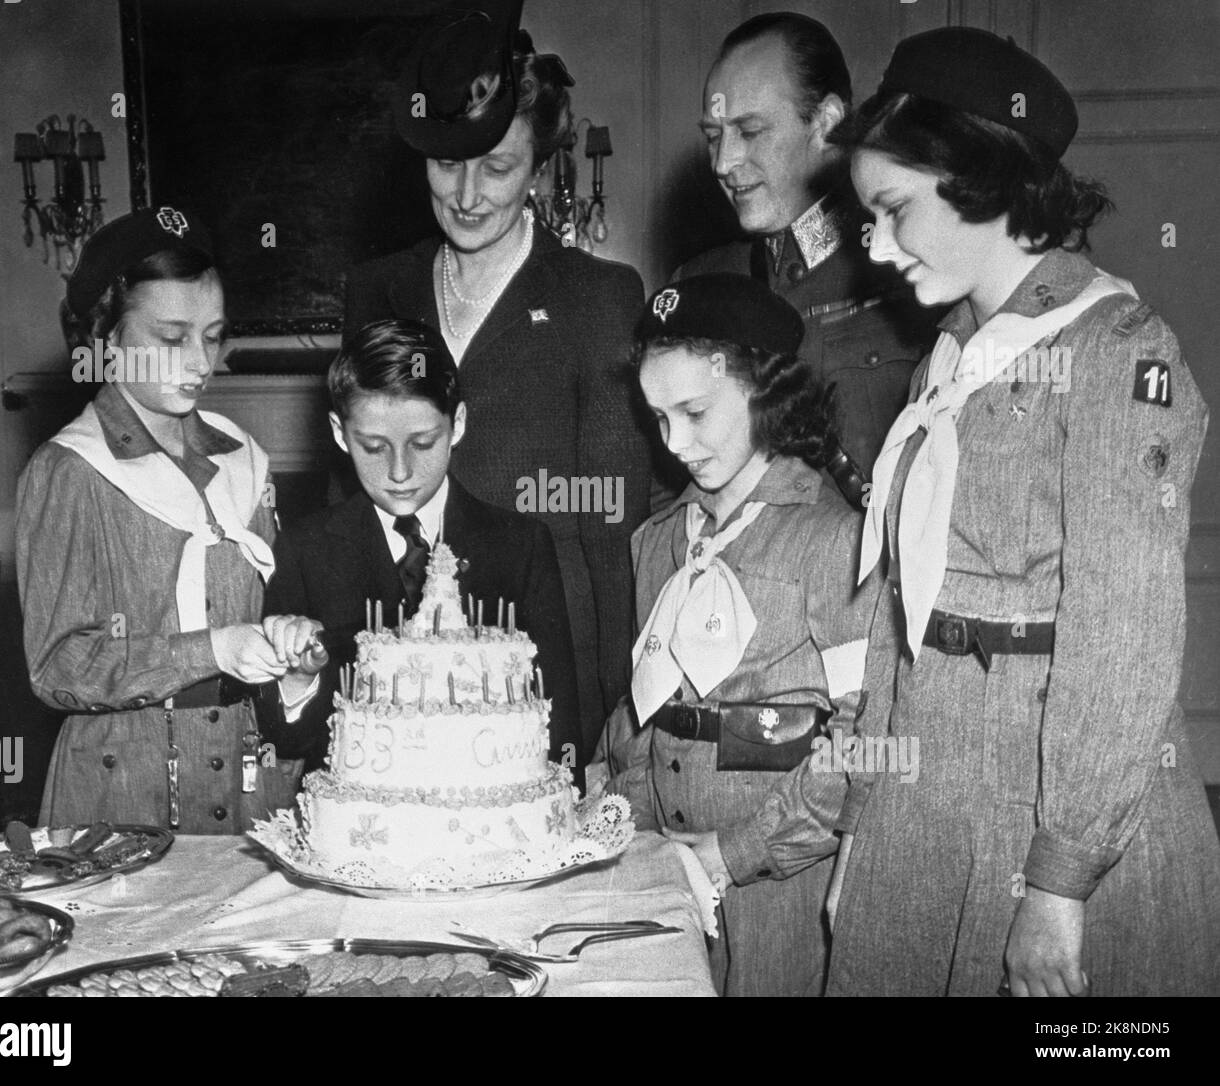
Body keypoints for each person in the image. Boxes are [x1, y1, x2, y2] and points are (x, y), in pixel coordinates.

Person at [824, 26, 1220, 997]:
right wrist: (861, 824)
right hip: (927, 799)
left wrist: (1059, 881)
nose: (873, 247)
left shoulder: (1120, 353)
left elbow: (1123, 637)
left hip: (1050, 808)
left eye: (892, 210)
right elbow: (900, 606)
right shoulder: (949, 360)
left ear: (981, 178)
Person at [344, 2, 651, 762]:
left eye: (499, 166)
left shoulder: (598, 297)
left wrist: (618, 714)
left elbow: (613, 530)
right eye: (448, 164)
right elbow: (351, 501)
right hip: (402, 643)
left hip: (548, 644)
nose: (468, 193)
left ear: (542, 168)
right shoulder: (378, 288)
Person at [599, 274, 878, 996]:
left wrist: (733, 853)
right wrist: (620, 816)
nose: (675, 444)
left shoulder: (837, 541)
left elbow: (861, 743)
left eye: (694, 412)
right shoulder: (657, 543)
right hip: (662, 885)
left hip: (780, 896)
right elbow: (640, 714)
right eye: (657, 417)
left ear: (765, 389)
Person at [17, 207, 314, 834]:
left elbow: (272, 615)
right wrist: (212, 649)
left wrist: (293, 648)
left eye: (213, 336)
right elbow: (59, 668)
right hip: (121, 786)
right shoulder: (71, 469)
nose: (201, 363)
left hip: (244, 778)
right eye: (172, 339)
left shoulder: (242, 457)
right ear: (105, 339)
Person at [256, 318, 583, 789]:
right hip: (364, 836)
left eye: (423, 443)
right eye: (372, 447)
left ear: (459, 424)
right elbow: (284, 741)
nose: (399, 471)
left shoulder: (520, 546)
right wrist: (296, 680)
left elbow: (561, 728)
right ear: (338, 432)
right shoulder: (303, 548)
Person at [679, 11, 941, 487]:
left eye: (751, 131)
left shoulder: (914, 271)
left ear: (827, 122)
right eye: (714, 136)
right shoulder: (697, 286)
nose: (723, 162)